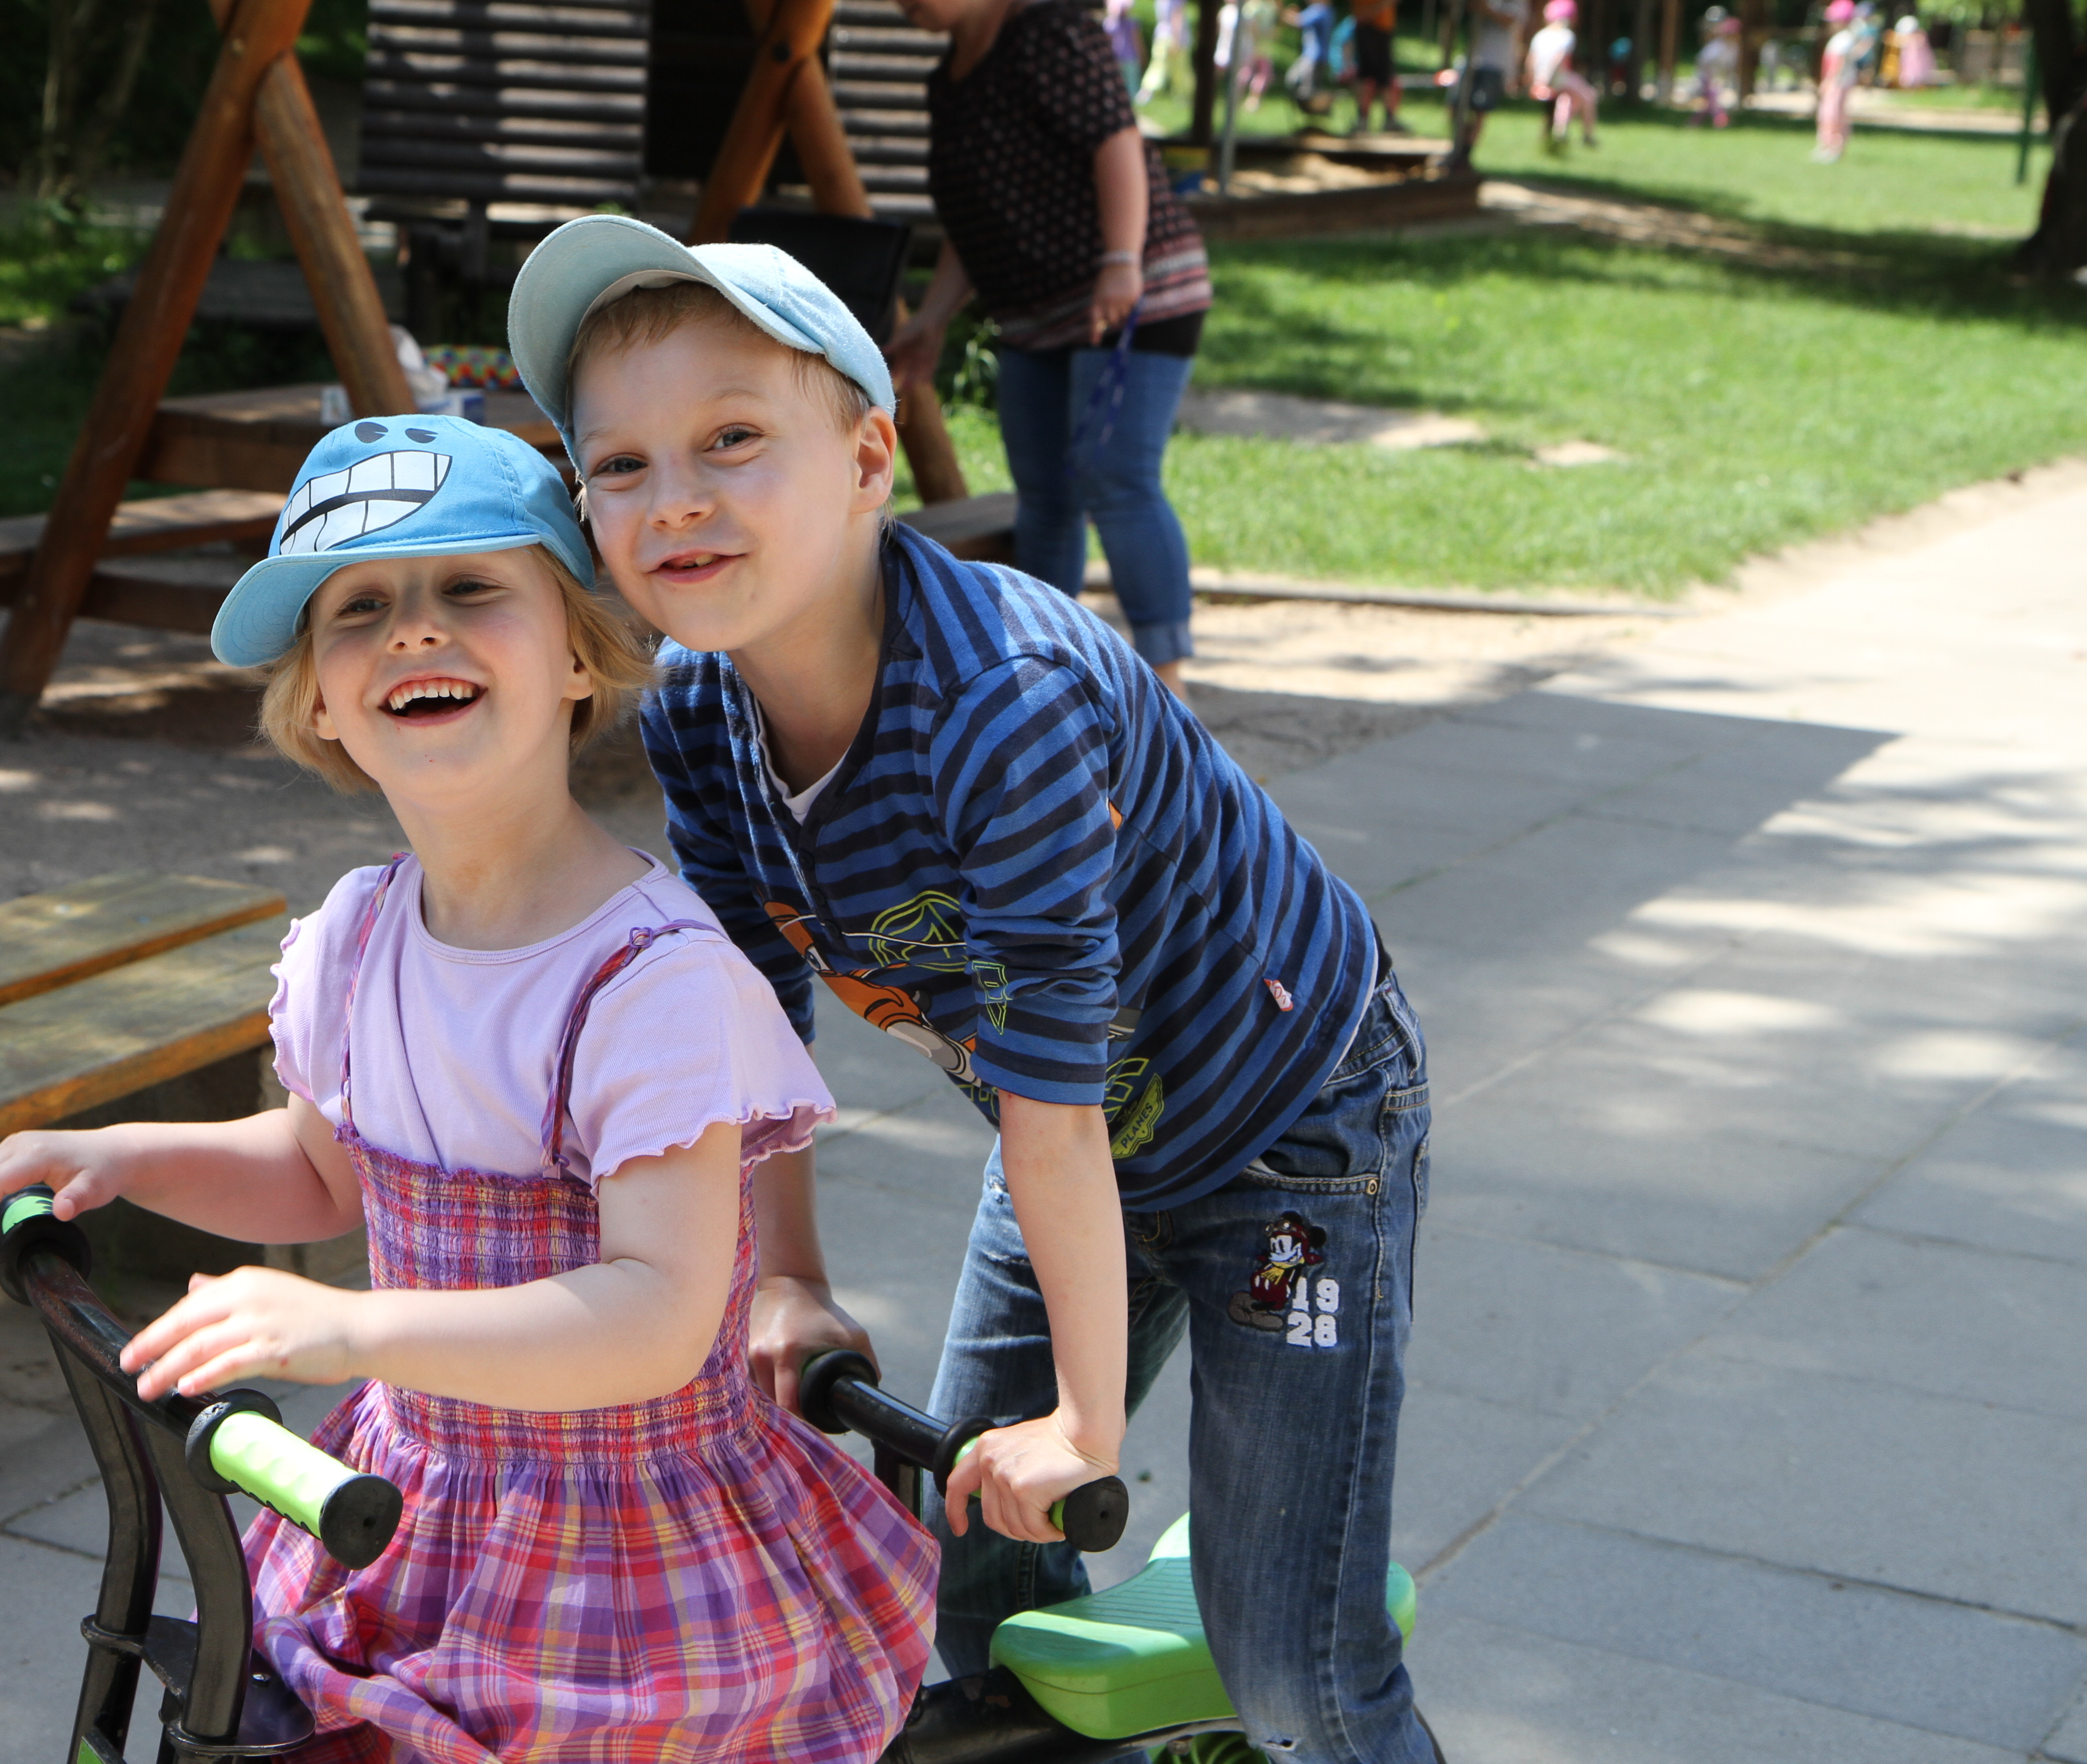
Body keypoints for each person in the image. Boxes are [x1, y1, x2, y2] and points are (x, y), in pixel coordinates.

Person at [507, 217, 1444, 1764]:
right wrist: (785, 1272)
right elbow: (748, 1016)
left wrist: (1086, 1426)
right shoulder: (696, 717)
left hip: (1294, 1146)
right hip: (1072, 1127)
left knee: (1294, 1664)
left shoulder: (1001, 710)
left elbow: (1055, 1115)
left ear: (871, 458)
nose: (673, 497)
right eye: (620, 464)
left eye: (733, 440)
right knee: (969, 1566)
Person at [0, 416, 937, 1763]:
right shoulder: (357, 944)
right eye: (362, 608)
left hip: (621, 1558)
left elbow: (656, 1315)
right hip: (419, 1507)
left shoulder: (650, 981)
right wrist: (128, 1157)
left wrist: (350, 1328)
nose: (416, 631)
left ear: (582, 651)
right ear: (316, 698)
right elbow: (319, 1172)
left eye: (473, 588)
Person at [882, 0, 1214, 697]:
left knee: (1115, 478)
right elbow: (976, 221)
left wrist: (1122, 260)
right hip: (1036, 316)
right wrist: (932, 323)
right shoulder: (947, 82)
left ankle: (1169, 680)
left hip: (1137, 291)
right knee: (1046, 497)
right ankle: (1043, 676)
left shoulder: (1051, 31)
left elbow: (1115, 143)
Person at [1450, 0, 1522, 168]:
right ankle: (1457, 147)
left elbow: (1511, 21)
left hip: (1495, 62)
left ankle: (1465, 155)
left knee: (1480, 109)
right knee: (1455, 104)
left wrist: (1486, 10)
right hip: (1471, 58)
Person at [1528, 0, 1599, 149]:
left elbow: (1531, 60)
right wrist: (1548, 80)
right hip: (1558, 78)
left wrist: (1535, 81)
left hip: (1540, 79)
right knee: (1589, 96)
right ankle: (1588, 135)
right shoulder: (1566, 36)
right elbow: (1559, 60)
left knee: (1567, 99)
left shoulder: (1540, 35)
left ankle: (1559, 133)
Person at [1346, 0, 1405, 133]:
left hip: (1381, 30)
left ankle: (1388, 119)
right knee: (1368, 77)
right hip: (1371, 30)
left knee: (1385, 78)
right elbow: (1362, 12)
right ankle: (1363, 120)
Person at [1814, 0, 1859, 160]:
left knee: (1832, 116)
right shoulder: (1843, 38)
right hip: (1839, 83)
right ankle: (1828, 146)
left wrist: (1829, 82)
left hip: (1838, 83)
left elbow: (1836, 64)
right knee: (1831, 115)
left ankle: (1833, 148)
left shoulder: (1843, 39)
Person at [1691, 6, 1740, 126]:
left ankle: (1696, 123)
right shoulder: (1717, 47)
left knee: (1711, 104)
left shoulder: (1733, 49)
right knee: (1712, 102)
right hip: (1708, 78)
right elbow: (1704, 62)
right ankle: (1719, 121)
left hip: (1719, 78)